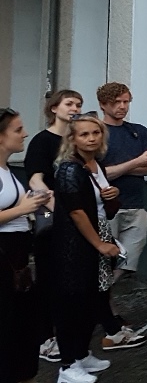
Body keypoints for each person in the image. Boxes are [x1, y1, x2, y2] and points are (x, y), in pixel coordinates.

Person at [50, 114, 121, 383]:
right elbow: (77, 212)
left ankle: (81, 354)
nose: (91, 138)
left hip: (98, 234)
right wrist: (99, 243)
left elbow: (101, 206)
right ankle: (68, 365)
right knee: (73, 302)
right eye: (84, 134)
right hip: (75, 244)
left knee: (94, 298)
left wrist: (112, 195)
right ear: (72, 139)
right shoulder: (70, 169)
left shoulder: (95, 164)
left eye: (96, 133)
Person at [23, 89, 83, 363]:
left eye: (78, 104)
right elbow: (35, 180)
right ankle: (45, 337)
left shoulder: (78, 141)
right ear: (54, 108)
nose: (75, 108)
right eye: (69, 103)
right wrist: (57, 207)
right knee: (47, 278)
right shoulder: (42, 141)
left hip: (77, 216)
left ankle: (69, 336)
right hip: (53, 217)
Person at [0, 107, 51, 383]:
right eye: (18, 130)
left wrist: (33, 200)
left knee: (21, 329)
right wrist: (24, 208)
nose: (25, 134)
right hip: (5, 256)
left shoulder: (7, 170)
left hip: (17, 257)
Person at [97, 83, 147, 287]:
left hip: (136, 205)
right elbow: (97, 174)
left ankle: (104, 292)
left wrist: (117, 169)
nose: (122, 106)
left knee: (128, 260)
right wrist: (137, 162)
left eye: (126, 102)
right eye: (117, 102)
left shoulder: (138, 131)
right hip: (106, 209)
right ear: (103, 104)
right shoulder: (96, 133)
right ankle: (102, 300)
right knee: (103, 260)